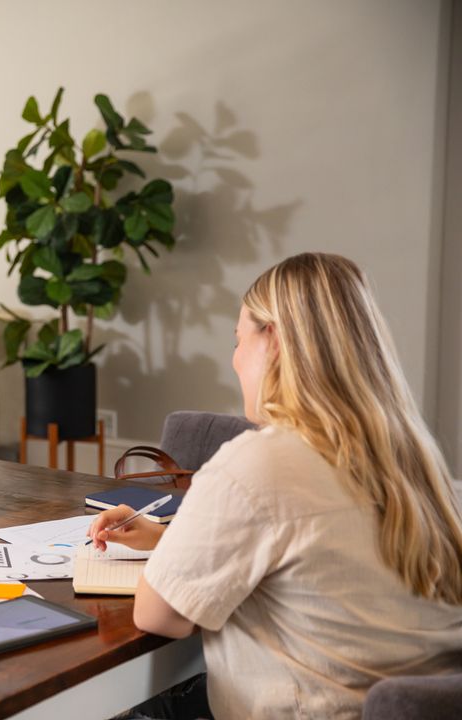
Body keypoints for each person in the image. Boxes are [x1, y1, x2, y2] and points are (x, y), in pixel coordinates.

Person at [87, 253, 462, 719]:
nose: (235, 358)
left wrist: (169, 557)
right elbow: (320, 561)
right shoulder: (416, 460)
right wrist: (169, 540)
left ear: (276, 342)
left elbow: (157, 616)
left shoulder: (259, 462)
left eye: (239, 339)